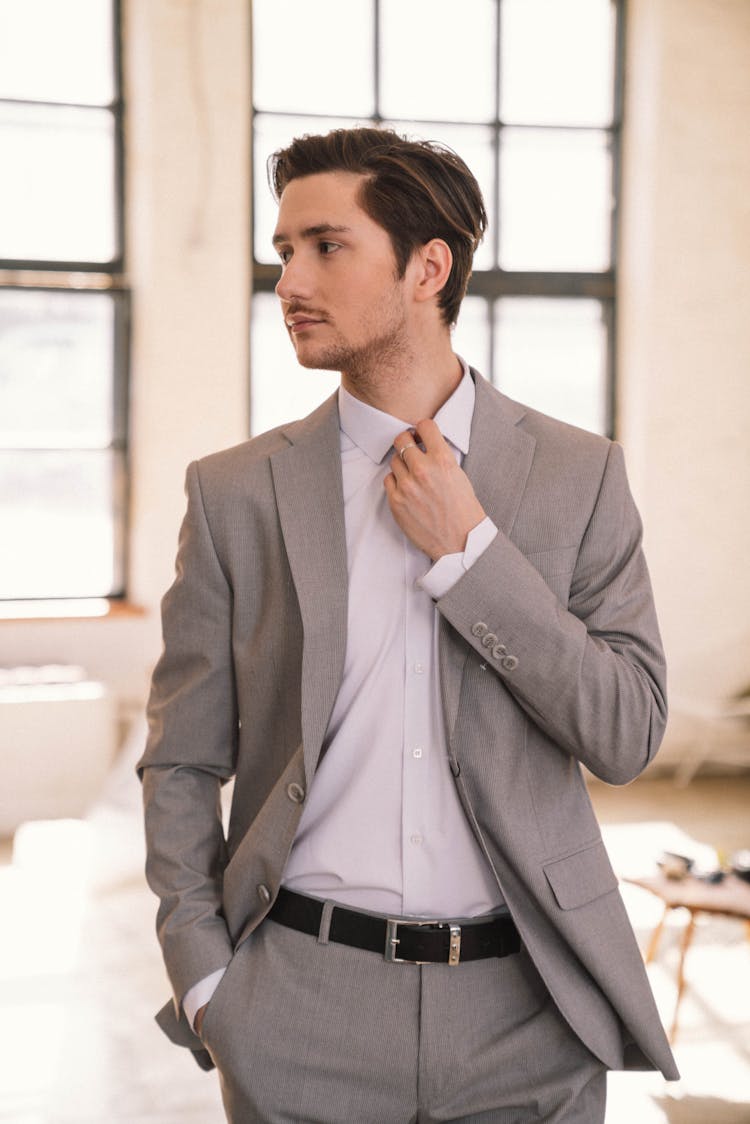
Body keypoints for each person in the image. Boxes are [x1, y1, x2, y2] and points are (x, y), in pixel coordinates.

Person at [138, 126, 678, 1123]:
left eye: (325, 245)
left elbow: (627, 731)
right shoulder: (235, 495)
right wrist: (209, 980)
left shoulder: (578, 474)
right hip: (298, 1002)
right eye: (283, 248)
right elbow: (180, 761)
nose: (290, 277)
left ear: (428, 266)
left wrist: (472, 555)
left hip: (529, 1012)